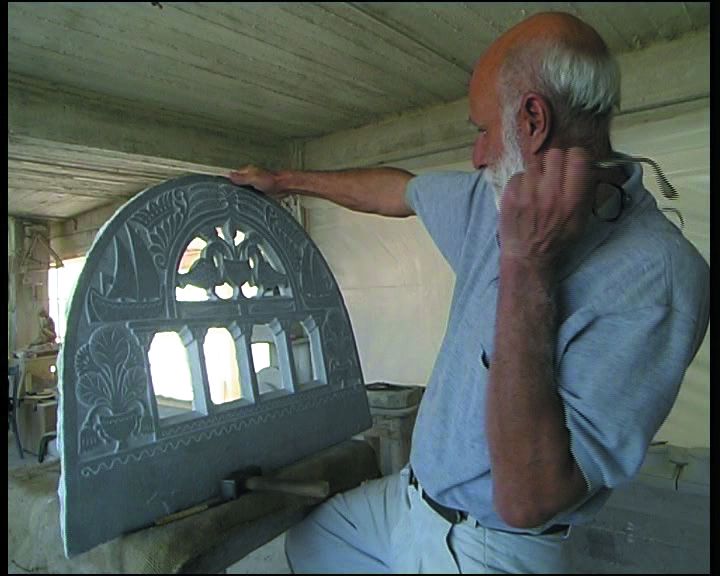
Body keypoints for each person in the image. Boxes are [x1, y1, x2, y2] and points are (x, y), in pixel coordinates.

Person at [229, 11, 709, 574]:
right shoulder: (491, 200)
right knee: (310, 544)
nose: (478, 155)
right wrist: (286, 182)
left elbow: (530, 501)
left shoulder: (661, 276)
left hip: (496, 543)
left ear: (533, 119)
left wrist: (527, 262)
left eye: (482, 129)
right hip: (412, 497)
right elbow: (399, 190)